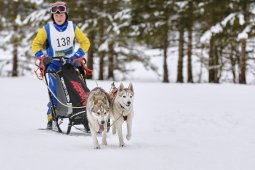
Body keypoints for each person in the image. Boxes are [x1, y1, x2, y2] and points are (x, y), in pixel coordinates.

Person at [32, 1, 90, 129]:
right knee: (55, 91)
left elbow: (85, 42)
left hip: (69, 64)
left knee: (78, 87)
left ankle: (84, 115)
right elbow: (35, 44)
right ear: (53, 16)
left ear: (66, 15)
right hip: (53, 64)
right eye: (56, 15)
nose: (59, 17)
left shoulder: (72, 27)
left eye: (61, 15)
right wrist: (43, 57)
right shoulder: (47, 29)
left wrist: (76, 56)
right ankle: (52, 117)